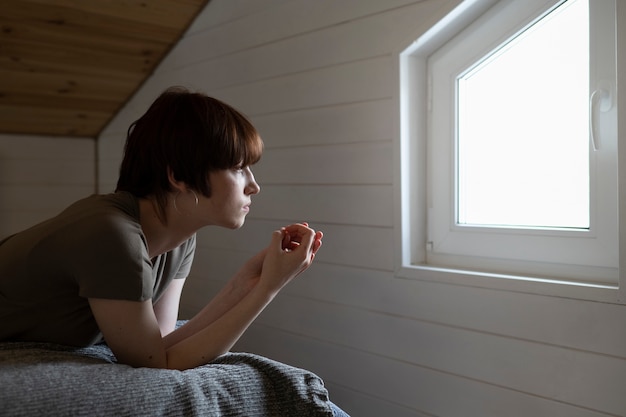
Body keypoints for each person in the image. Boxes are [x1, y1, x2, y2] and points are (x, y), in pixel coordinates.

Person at [0, 87, 350, 416]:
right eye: (238, 168)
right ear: (179, 176)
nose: (254, 185)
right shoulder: (111, 234)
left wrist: (249, 281)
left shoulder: (180, 238)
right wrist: (268, 289)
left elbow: (162, 344)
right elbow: (157, 366)